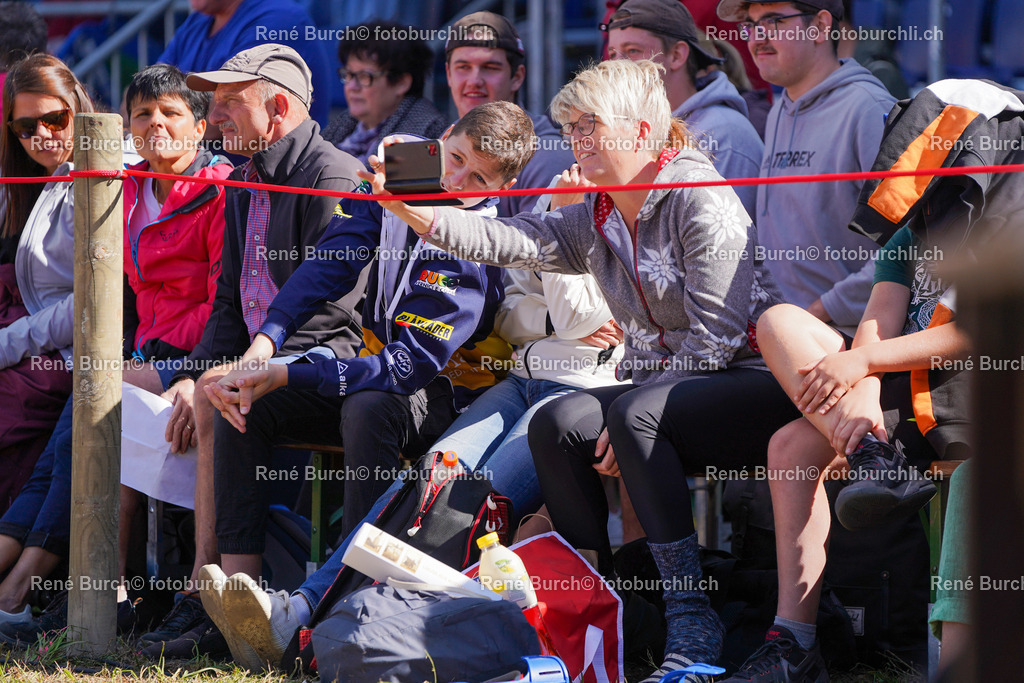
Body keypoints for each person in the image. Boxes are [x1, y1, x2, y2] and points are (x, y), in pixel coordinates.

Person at [358, 59, 799, 683]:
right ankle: (598, 598)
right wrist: (412, 209)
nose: (577, 141)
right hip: (662, 393)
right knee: (559, 421)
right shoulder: (597, 212)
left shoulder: (699, 198)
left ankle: (690, 614)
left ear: (646, 132)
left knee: (630, 412)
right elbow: (509, 241)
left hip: (753, 380)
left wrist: (630, 417)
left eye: (592, 125)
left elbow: (719, 342)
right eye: (572, 128)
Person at [199, 102, 533, 620]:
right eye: (456, 156)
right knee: (251, 400)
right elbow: (330, 263)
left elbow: (404, 368)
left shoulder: (477, 241)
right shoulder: (398, 174)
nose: (456, 178)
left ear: (501, 190)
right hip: (373, 367)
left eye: (478, 176)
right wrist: (264, 344)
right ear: (442, 137)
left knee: (369, 405)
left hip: (451, 394)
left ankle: (343, 606)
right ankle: (235, 599)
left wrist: (287, 368)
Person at [135, 43, 366, 659]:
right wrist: (190, 373)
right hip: (254, 362)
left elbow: (336, 312)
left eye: (230, 105)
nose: (214, 119)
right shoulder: (243, 178)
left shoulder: (334, 175)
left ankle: (216, 595)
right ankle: (180, 595)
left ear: (279, 107)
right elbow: (230, 307)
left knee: (227, 395)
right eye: (214, 106)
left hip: (331, 366)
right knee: (117, 389)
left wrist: (234, 370)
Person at [0, 63, 234, 646]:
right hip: (143, 348)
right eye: (144, 114)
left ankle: (45, 588)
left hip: (196, 354)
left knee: (96, 400)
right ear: (127, 124)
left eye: (172, 114)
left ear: (200, 127)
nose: (157, 125)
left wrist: (187, 370)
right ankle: (68, 588)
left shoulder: (217, 190)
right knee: (77, 423)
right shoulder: (125, 188)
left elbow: (223, 303)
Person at [716, 0, 895, 333]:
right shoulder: (778, 112)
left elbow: (910, 242)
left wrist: (825, 309)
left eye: (773, 22)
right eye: (751, 25)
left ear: (821, 25)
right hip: (779, 334)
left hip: (844, 339)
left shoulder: (868, 109)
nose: (757, 38)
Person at [0, 53, 92, 631]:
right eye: (25, 126)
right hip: (28, 333)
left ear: (79, 109)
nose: (41, 136)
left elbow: (95, 298)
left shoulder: (108, 166)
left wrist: (8, 343)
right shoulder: (21, 177)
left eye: (54, 120)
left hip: (62, 346)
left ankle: (19, 589)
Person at [603, 0, 763, 217]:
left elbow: (720, 242)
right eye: (613, 54)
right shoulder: (635, 133)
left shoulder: (724, 134)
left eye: (632, 51)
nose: (617, 66)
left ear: (677, 55)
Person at [444, 11, 575, 216]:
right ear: (448, 74)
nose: (474, 81)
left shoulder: (547, 154)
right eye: (463, 67)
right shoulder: (443, 141)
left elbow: (537, 245)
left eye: (490, 68)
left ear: (517, 77)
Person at [158, 0, 333, 128]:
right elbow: (143, 88)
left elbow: (221, 115)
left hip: (273, 175)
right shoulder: (197, 21)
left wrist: (148, 110)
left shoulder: (279, 18)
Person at [322, 18, 447, 167]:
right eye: (349, 74)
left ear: (401, 83)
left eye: (364, 76)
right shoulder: (343, 123)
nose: (352, 87)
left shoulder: (427, 134)